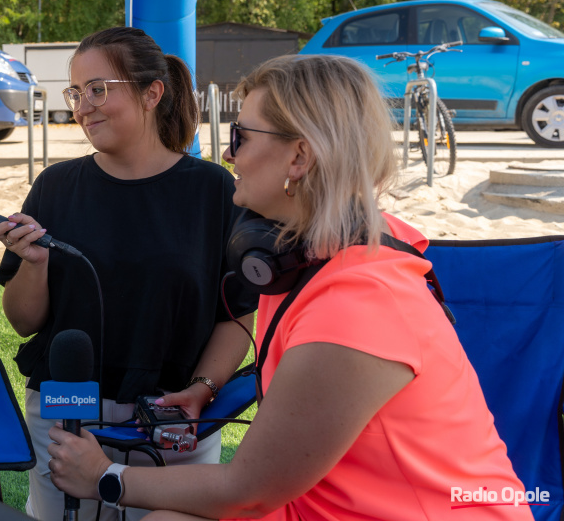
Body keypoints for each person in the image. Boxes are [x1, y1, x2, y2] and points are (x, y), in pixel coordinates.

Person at [46, 54, 533, 520]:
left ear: (299, 156)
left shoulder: (357, 308)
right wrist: (203, 390)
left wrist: (105, 476)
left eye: (241, 136)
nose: (227, 152)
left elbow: (247, 491)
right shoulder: (313, 254)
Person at [0, 27, 256, 521]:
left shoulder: (213, 191)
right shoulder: (56, 187)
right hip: (65, 415)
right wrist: (34, 265)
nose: (83, 106)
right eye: (76, 92)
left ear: (152, 93)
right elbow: (23, 321)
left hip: (174, 420)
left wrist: (201, 390)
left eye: (98, 89)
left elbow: (236, 316)